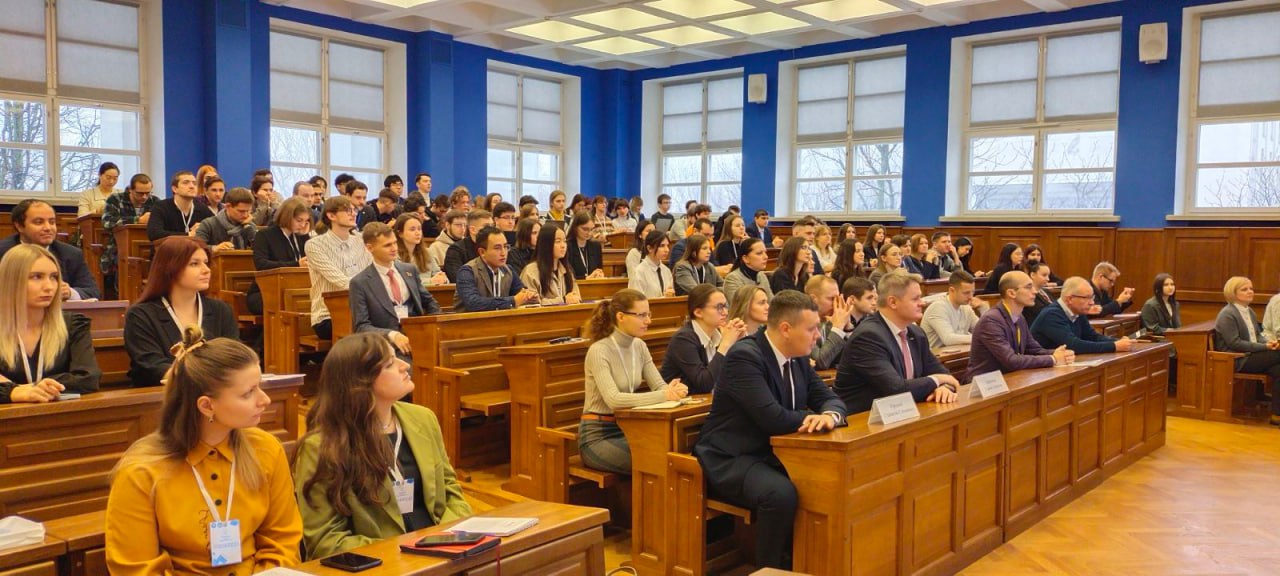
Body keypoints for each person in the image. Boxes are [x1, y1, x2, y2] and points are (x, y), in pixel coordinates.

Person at [106, 327, 302, 574]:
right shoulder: (141, 472)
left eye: (259, 386)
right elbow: (136, 569)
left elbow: (282, 541)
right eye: (248, 393)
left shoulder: (266, 449)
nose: (265, 400)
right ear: (207, 406)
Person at [693, 290, 846, 570]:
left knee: (826, 482)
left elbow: (830, 398)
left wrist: (830, 416)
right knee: (780, 494)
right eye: (811, 329)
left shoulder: (798, 357)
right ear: (786, 329)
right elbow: (772, 418)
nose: (817, 337)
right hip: (733, 456)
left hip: (775, 453)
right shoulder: (745, 356)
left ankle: (810, 562)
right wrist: (812, 417)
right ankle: (770, 569)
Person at [295, 332, 470, 559]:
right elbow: (325, 539)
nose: (404, 366)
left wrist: (446, 536)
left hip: (443, 552)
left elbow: (450, 489)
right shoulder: (321, 447)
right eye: (389, 364)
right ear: (360, 382)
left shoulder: (423, 418)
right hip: (383, 564)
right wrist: (404, 552)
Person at [580, 289, 688, 474]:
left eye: (649, 314)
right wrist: (665, 395)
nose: (648, 321)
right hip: (598, 435)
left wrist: (674, 390)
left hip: (629, 428)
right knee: (657, 460)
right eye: (641, 315)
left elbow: (659, 386)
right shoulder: (599, 350)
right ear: (621, 316)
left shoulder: (639, 346)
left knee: (675, 452)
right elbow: (614, 400)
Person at [834, 271, 960, 413]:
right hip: (863, 419)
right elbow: (896, 389)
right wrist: (937, 380)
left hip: (901, 413)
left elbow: (944, 374)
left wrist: (943, 388)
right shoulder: (868, 337)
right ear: (893, 302)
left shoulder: (916, 333)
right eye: (915, 299)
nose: (922, 303)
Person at [124, 237, 239, 387]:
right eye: (194, 264)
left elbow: (233, 357)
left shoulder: (221, 310)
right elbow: (153, 366)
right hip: (162, 395)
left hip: (215, 391)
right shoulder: (140, 315)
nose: (206, 270)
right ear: (170, 269)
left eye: (206, 262)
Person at [0, 245, 101, 403]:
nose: (49, 287)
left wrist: (26, 388)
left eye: (54, 277)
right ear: (12, 281)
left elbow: (88, 378)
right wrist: (13, 393)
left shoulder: (73, 324)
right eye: (36, 277)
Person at [349, 223, 442, 356]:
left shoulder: (409, 270)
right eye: (387, 245)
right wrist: (392, 335)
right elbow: (361, 326)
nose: (394, 248)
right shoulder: (360, 283)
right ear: (370, 248)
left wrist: (432, 329)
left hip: (419, 339)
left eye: (395, 243)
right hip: (386, 346)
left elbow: (430, 302)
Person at [964, 271, 1074, 383]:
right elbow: (1011, 360)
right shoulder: (991, 320)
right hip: (986, 384)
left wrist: (1057, 353)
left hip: (1008, 379)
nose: (1035, 291)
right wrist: (1053, 359)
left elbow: (1034, 349)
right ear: (1012, 293)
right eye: (1028, 287)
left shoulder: (1019, 317)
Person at [0, 199, 100, 300]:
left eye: (52, 222)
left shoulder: (71, 254)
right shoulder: (3, 252)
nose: (48, 228)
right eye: (39, 222)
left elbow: (92, 292)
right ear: (19, 226)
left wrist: (69, 292)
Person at [1214, 276, 1280, 425]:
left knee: (1278, 369)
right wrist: (1265, 347)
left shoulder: (1249, 311)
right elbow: (1234, 343)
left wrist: (1268, 342)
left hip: (1251, 354)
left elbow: (1257, 336)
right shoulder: (1227, 314)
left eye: (1251, 288)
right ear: (1233, 293)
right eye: (1244, 289)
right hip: (1238, 358)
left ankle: (1276, 415)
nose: (1250, 292)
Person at [307, 196, 373, 340]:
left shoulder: (361, 241)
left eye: (354, 210)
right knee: (372, 329)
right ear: (331, 215)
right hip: (328, 315)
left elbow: (373, 273)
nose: (353, 214)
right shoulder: (315, 245)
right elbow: (340, 281)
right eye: (348, 210)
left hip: (363, 310)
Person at [660, 285, 746, 394]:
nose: (725, 312)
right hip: (684, 401)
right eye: (719, 307)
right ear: (698, 312)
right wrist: (725, 344)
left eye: (725, 306)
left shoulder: (718, 334)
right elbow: (705, 383)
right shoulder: (683, 339)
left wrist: (739, 344)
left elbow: (736, 376)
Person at [1031, 276, 1132, 354]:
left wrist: (1118, 341)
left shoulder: (1078, 312)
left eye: (1092, 297)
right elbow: (1073, 345)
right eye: (1087, 298)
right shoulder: (1051, 315)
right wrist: (1114, 346)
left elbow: (1092, 336)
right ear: (1070, 299)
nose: (1092, 302)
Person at [247, 197, 310, 315]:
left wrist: (306, 237)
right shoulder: (265, 235)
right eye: (299, 220)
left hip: (294, 288)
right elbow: (261, 264)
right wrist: (296, 264)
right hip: (265, 291)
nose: (302, 225)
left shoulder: (301, 236)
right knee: (292, 303)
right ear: (287, 216)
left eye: (306, 221)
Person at [454, 226, 538, 312]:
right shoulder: (467, 272)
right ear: (482, 252)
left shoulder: (508, 270)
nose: (503, 253)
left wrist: (530, 296)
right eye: (497, 248)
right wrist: (513, 301)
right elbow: (473, 303)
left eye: (505, 246)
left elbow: (522, 293)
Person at [101, 174, 158, 299]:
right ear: (130, 190)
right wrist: (137, 220)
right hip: (118, 247)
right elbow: (107, 222)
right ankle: (124, 297)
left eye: (147, 193)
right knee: (124, 259)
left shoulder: (155, 201)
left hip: (148, 246)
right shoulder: (115, 199)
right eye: (140, 193)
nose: (144, 197)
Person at [520, 225, 582, 305]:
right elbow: (530, 304)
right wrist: (562, 300)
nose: (563, 245)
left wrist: (574, 298)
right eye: (558, 241)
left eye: (564, 241)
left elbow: (576, 296)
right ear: (546, 244)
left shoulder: (567, 270)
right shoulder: (530, 272)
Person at [921, 271, 981, 349]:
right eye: (966, 293)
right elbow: (948, 339)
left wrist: (983, 308)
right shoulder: (938, 308)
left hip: (958, 353)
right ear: (952, 290)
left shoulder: (966, 307)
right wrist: (979, 338)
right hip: (937, 355)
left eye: (972, 292)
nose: (971, 297)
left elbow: (983, 331)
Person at [806, 275, 854, 371]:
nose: (836, 303)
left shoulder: (831, 322)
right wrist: (838, 329)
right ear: (813, 299)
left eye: (838, 298)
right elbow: (820, 362)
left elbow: (855, 358)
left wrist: (847, 328)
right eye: (831, 299)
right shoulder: (801, 324)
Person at [148, 171, 214, 241]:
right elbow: (154, 233)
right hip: (169, 247)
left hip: (194, 247)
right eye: (186, 183)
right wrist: (188, 235)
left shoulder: (203, 209)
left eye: (194, 183)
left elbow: (217, 229)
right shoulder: (161, 207)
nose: (192, 186)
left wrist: (204, 227)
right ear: (175, 189)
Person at [195, 187, 257, 253]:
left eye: (248, 211)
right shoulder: (208, 224)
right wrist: (214, 248)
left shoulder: (249, 226)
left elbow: (260, 250)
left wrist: (249, 228)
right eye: (241, 211)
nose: (245, 215)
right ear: (228, 206)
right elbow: (197, 248)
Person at [394, 213, 447, 288]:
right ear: (400, 233)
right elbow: (403, 281)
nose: (417, 233)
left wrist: (443, 279)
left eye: (419, 229)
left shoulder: (427, 252)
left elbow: (438, 274)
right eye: (412, 229)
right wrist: (430, 281)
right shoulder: (394, 255)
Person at [443, 210, 492, 283]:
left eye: (492, 226)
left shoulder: (495, 248)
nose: (492, 230)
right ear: (472, 230)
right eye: (487, 226)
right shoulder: (456, 250)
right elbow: (457, 278)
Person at [723, 237, 772, 302]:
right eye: (759, 253)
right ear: (746, 258)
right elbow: (739, 306)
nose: (766, 257)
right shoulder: (733, 279)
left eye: (765, 252)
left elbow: (772, 303)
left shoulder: (761, 276)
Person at [628, 230, 675, 298]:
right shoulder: (639, 272)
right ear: (649, 248)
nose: (667, 250)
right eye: (662, 246)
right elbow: (636, 300)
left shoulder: (666, 271)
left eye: (667, 246)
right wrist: (664, 298)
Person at [566, 211, 605, 280]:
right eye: (585, 229)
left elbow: (599, 269)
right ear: (575, 227)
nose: (589, 233)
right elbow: (567, 276)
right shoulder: (567, 246)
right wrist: (586, 278)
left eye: (591, 229)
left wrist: (599, 274)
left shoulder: (596, 246)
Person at [1022, 261, 1057, 326]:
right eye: (1044, 275)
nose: (1048, 279)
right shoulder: (1028, 294)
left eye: (1048, 276)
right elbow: (1042, 312)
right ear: (1033, 275)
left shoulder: (1046, 291)